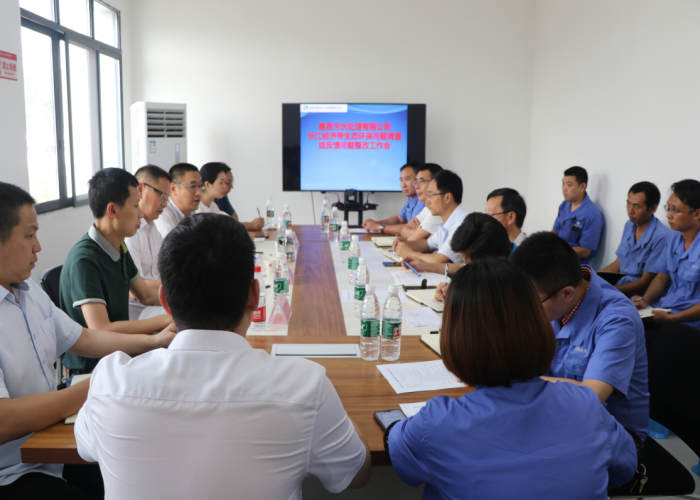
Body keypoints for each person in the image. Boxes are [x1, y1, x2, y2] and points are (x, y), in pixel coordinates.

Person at [75, 214, 371, 499]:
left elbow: (86, 448)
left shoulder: (109, 382)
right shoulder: (305, 387)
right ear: (254, 296)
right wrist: (329, 408)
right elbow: (357, 475)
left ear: (165, 300)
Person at [387, 259, 637, 499]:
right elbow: (624, 468)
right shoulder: (586, 406)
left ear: (455, 339)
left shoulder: (436, 423)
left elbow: (400, 455)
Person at [0, 182, 176, 500]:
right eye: (29, 235)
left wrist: (154, 342)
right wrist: (95, 384)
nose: (38, 247)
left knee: (132, 471)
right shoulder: (84, 257)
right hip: (13, 471)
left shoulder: (27, 290)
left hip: (49, 443)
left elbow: (82, 337)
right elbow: (4, 421)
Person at [510, 232, 649, 441]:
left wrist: (520, 378)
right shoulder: (552, 297)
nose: (525, 309)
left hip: (612, 435)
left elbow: (591, 397)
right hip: (560, 415)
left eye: (531, 302)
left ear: (567, 293)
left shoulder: (617, 320)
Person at [60, 169, 174, 374]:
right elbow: (101, 329)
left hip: (120, 355)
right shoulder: (84, 260)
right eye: (135, 206)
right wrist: (166, 319)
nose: (141, 214)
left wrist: (183, 306)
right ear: (112, 210)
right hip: (92, 370)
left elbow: (146, 294)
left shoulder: (118, 247)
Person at [631, 179, 700, 336]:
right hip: (665, 309)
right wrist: (645, 299)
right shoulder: (673, 238)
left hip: (689, 323)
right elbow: (662, 277)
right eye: (668, 208)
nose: (668, 215)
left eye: (675, 210)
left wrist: (672, 319)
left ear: (697, 213)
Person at [403, 212, 514, 301]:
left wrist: (458, 294)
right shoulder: (498, 253)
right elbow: (464, 266)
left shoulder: (515, 273)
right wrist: (426, 266)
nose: (467, 266)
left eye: (471, 264)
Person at [599, 182, 670, 296]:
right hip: (619, 286)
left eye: (636, 206)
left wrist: (608, 290)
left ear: (653, 208)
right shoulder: (629, 225)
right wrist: (592, 278)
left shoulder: (661, 237)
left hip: (638, 295)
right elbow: (618, 263)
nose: (630, 210)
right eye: (628, 203)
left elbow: (645, 282)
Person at [125, 165, 171, 320]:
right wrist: (176, 286)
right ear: (140, 189)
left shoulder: (152, 228)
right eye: (162, 196)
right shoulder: (130, 232)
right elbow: (138, 286)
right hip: (139, 313)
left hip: (156, 303)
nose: (165, 204)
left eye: (167, 198)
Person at [394, 170, 468, 265]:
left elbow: (437, 260)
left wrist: (410, 253)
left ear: (447, 198)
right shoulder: (446, 221)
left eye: (431, 195)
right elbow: (427, 245)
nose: (428, 201)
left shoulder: (461, 223)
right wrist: (404, 243)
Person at [552, 166, 604, 265]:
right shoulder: (564, 205)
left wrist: (556, 252)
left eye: (569, 185)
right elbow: (554, 231)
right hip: (555, 258)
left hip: (573, 265)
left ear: (582, 187)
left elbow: (586, 251)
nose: (564, 189)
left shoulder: (592, 215)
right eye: (563, 183)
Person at [362, 161, 424, 234]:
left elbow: (411, 228)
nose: (403, 185)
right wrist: (376, 223)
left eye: (407, 179)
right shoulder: (411, 198)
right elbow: (399, 219)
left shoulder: (422, 200)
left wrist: (379, 227)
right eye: (401, 180)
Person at [212, 162, 265, 231]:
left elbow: (234, 219)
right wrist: (250, 225)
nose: (231, 187)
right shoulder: (208, 202)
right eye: (228, 183)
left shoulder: (221, 198)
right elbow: (222, 226)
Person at [153, 163, 201, 237]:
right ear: (173, 188)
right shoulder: (163, 213)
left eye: (200, 186)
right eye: (193, 186)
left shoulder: (191, 212)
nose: (199, 192)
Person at [398, 163, 443, 241]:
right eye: (416, 182)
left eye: (421, 181)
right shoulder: (428, 208)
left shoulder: (438, 211)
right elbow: (403, 231)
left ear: (435, 183)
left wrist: (418, 233)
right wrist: (418, 232)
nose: (416, 187)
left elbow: (412, 240)